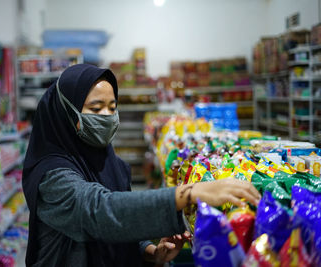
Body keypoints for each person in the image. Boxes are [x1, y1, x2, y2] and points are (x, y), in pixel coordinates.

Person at [22, 64, 261, 267]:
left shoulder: (106, 161)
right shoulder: (51, 176)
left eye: (112, 107)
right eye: (96, 109)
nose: (107, 116)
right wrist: (191, 193)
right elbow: (100, 212)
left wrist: (150, 251)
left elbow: (120, 224)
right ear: (66, 113)